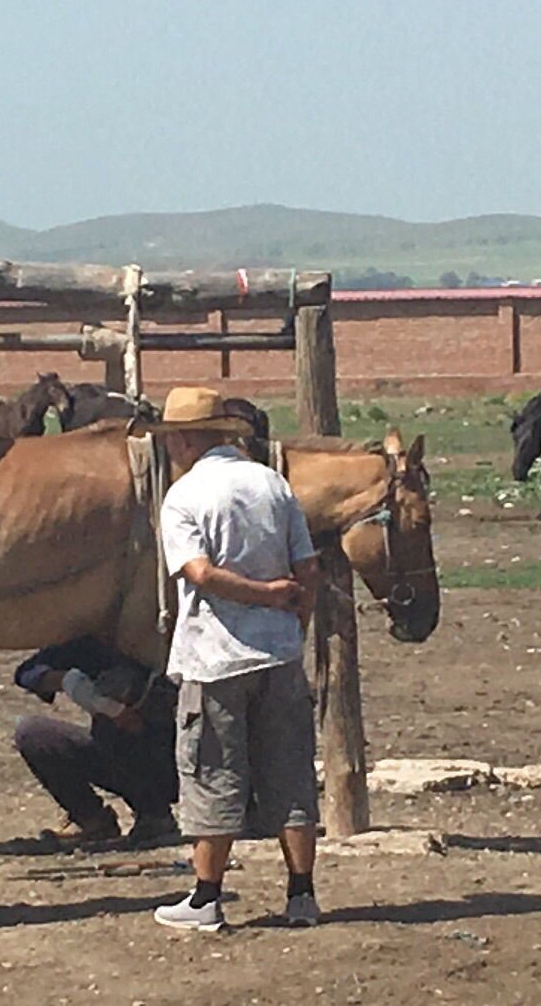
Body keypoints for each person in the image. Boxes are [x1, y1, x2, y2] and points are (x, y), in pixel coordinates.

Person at [143, 386, 324, 933]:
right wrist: (293, 623)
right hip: (279, 653)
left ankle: (206, 897)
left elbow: (198, 574)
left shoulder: (183, 496)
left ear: (185, 438)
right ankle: (301, 894)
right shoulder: (272, 483)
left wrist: (261, 594)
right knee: (290, 773)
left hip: (215, 657)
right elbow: (307, 569)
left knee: (212, 774)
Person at [12, 640, 177, 846]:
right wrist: (72, 683)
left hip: (185, 759)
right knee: (32, 732)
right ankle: (93, 821)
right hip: (119, 757)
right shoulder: (93, 643)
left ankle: (155, 814)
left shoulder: (178, 636)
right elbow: (27, 673)